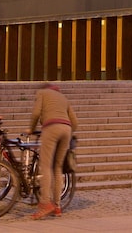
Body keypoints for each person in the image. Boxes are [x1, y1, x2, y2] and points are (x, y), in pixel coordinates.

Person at [28, 83, 78, 219]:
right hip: (66, 130)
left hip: (51, 127)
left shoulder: (42, 93)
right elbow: (75, 122)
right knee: (57, 167)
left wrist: (31, 129)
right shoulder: (63, 98)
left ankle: (45, 203)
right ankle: (57, 206)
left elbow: (36, 113)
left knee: (46, 166)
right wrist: (67, 131)